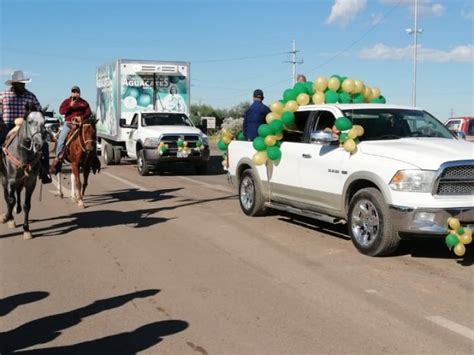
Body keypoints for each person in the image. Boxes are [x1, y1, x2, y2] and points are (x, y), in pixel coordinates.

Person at [0, 70, 52, 184]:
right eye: (20, 83)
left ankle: (45, 172)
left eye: (23, 83)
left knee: (44, 145)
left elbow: (39, 111)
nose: (23, 85)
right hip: (8, 125)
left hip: (27, 126)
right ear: (13, 84)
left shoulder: (30, 96)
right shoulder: (3, 95)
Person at [50, 86, 100, 174]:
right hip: (69, 123)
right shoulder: (66, 101)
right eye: (74, 92)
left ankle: (94, 157)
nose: (75, 94)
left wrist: (81, 117)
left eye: (77, 92)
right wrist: (70, 106)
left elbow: (89, 112)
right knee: (61, 138)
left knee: (91, 137)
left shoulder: (84, 103)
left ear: (79, 93)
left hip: (81, 124)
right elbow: (61, 111)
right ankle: (58, 158)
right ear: (71, 93)